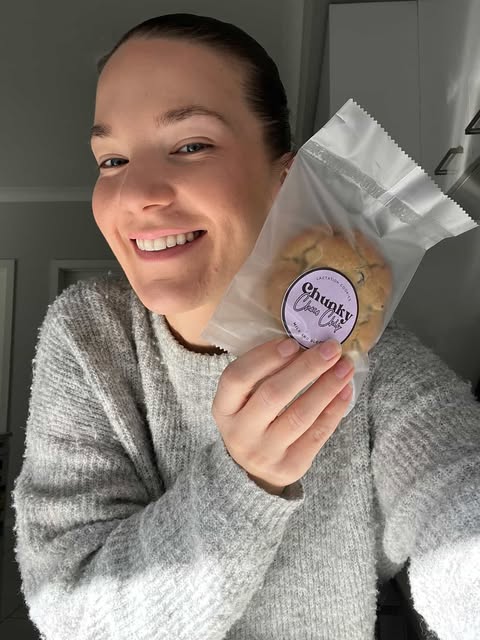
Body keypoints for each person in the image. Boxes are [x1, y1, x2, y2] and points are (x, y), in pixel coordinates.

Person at [11, 13, 480, 640]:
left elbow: (458, 510)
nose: (136, 194)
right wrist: (245, 479)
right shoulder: (89, 335)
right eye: (112, 159)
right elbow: (71, 612)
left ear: (285, 179)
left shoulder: (369, 366)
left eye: (190, 146)